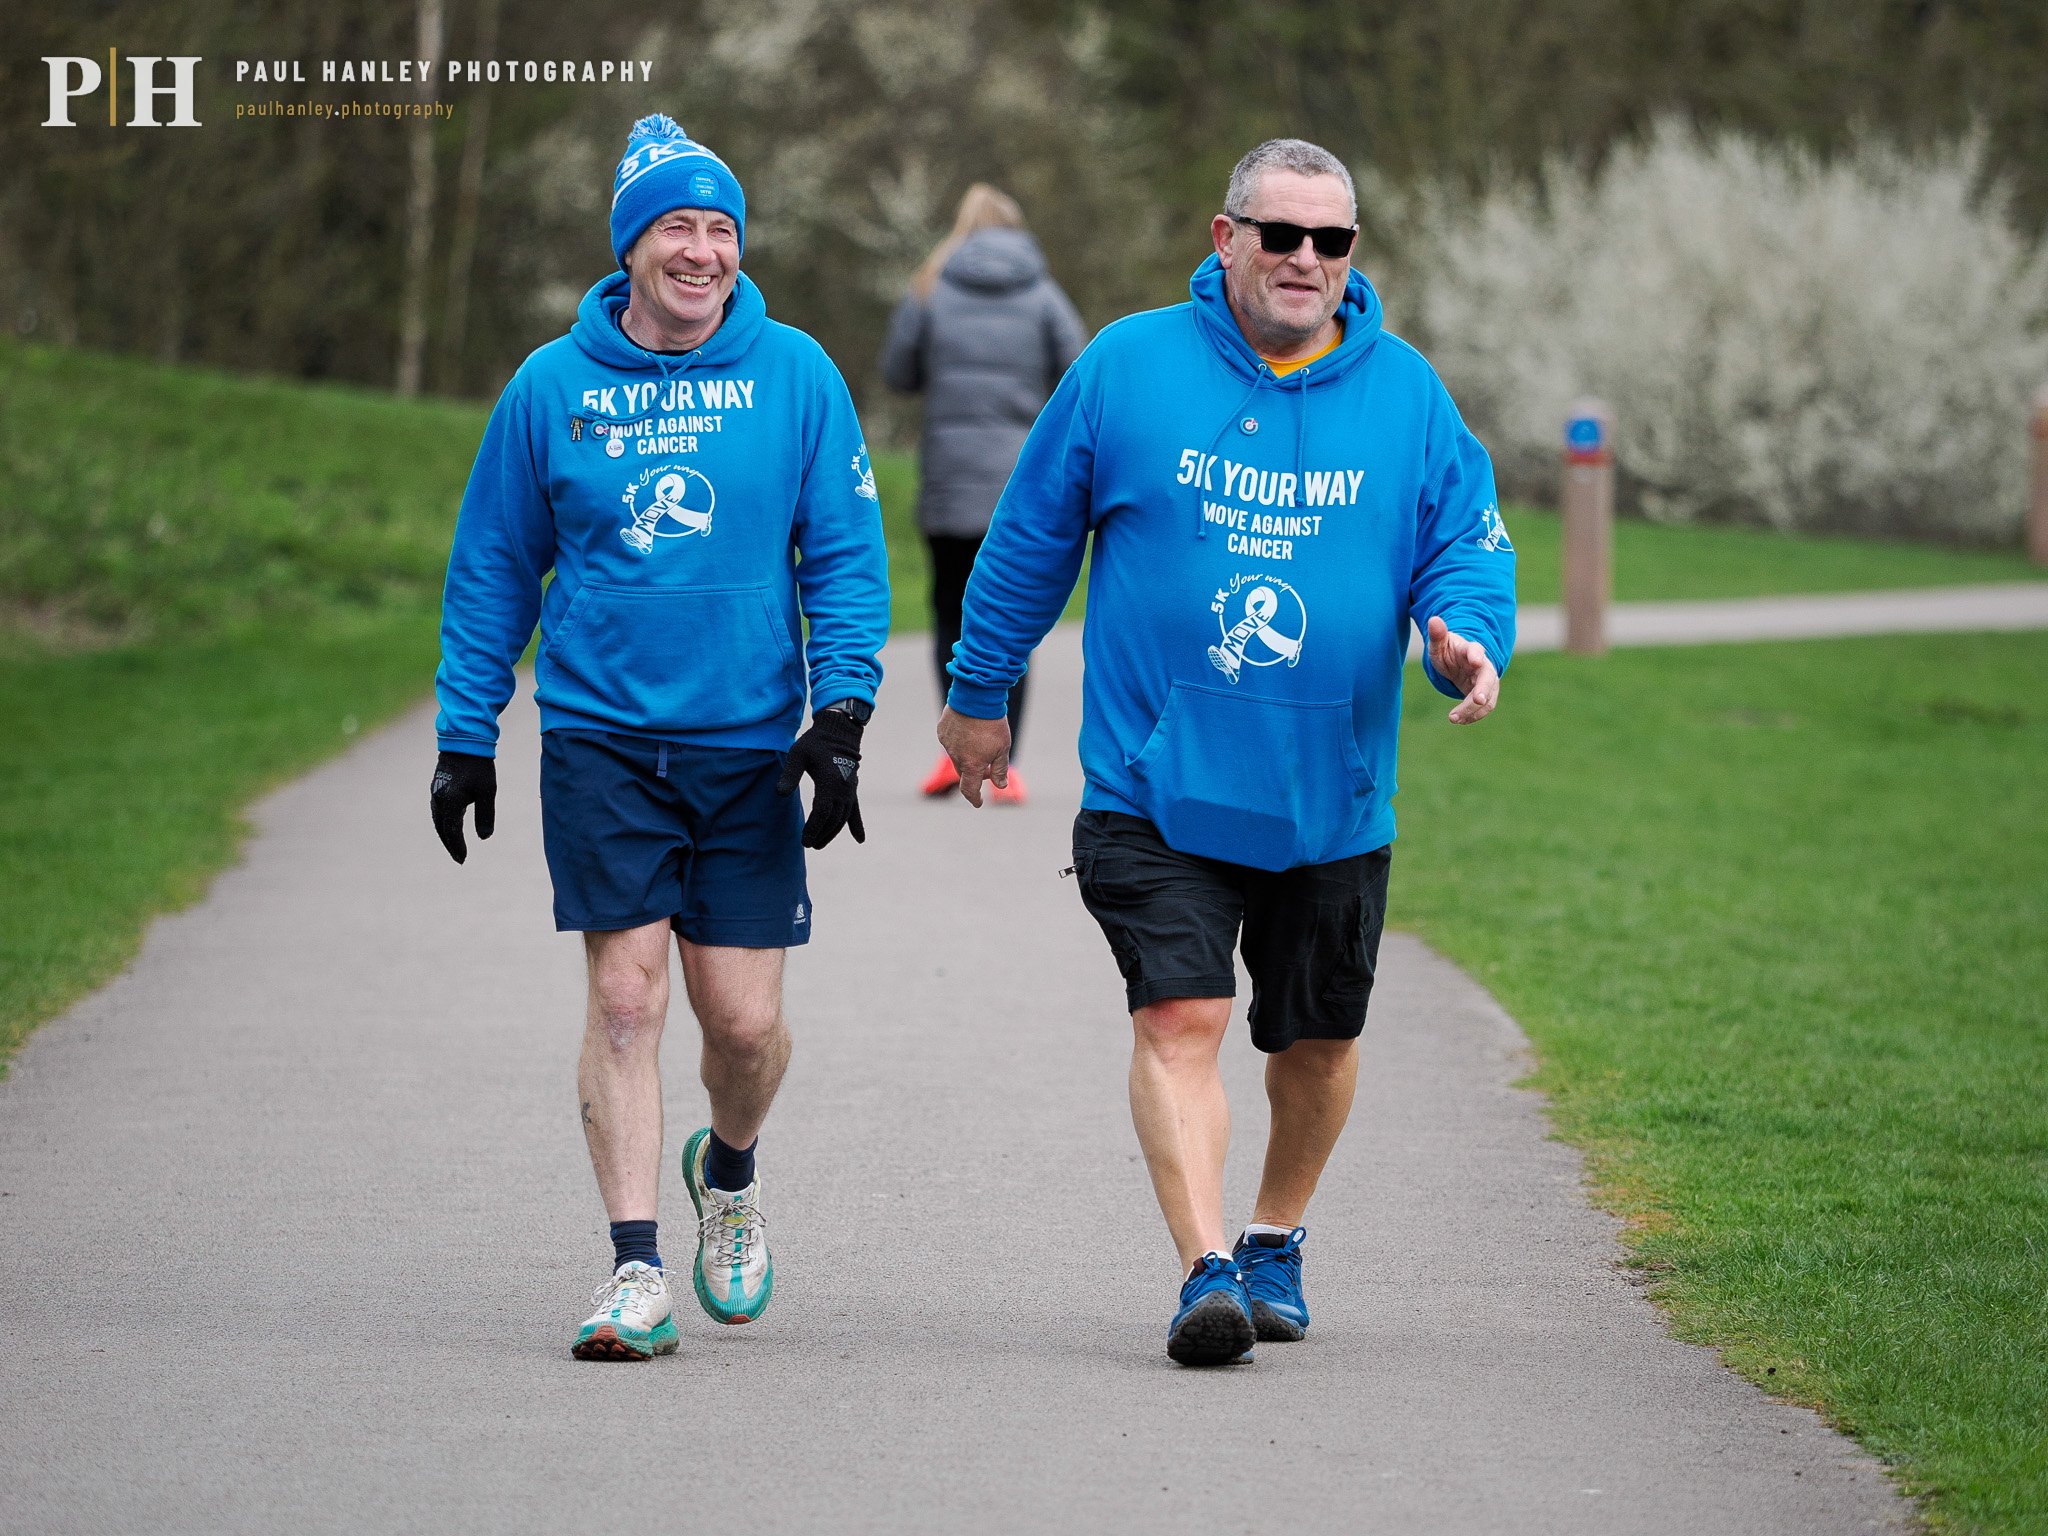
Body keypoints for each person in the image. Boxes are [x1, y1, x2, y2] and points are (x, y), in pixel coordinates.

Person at [936, 139, 1515, 1366]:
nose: (1305, 259)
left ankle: (1273, 1239)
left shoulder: (1404, 394)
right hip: (1159, 783)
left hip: (1329, 795)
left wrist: (1464, 638)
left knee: (1315, 1043)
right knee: (1180, 1016)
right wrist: (977, 693)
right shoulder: (1127, 365)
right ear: (1225, 236)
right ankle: (1204, 1270)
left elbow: (1463, 542)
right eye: (1280, 234)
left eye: (1332, 239)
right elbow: (1031, 535)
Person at [428, 114, 890, 1361]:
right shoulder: (549, 388)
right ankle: (633, 1274)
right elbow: (491, 571)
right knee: (626, 1002)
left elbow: (845, 559)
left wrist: (840, 715)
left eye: (721, 228)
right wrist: (466, 731)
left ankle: (726, 1172)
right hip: (600, 740)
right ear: (630, 247)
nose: (702, 250)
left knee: (738, 1027)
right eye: (677, 227)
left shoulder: (796, 375)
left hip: (746, 747)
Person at [881, 183, 1087, 805]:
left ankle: (954, 756)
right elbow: (1079, 372)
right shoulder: (1045, 296)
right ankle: (1008, 764)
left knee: (950, 607)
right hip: (1020, 485)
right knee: (1011, 618)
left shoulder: (929, 291)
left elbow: (898, 372)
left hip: (948, 475)